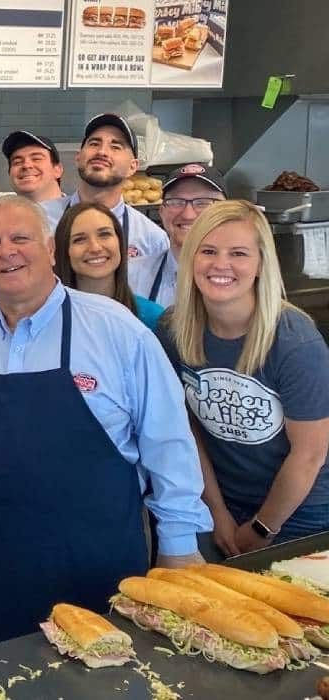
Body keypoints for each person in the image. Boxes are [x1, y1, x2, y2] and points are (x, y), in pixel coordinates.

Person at [0, 195, 212, 645]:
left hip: (103, 555)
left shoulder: (115, 328)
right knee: (6, 681)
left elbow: (168, 440)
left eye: (21, 238)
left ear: (49, 251)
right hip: (1, 558)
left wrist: (179, 545)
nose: (7, 251)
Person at [155, 200, 329, 557]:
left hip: (303, 515)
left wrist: (263, 528)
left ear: (261, 263)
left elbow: (309, 454)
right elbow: (189, 432)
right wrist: (217, 512)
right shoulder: (173, 331)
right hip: (223, 508)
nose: (221, 264)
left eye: (238, 253)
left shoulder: (295, 341)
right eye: (208, 251)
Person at [41, 113, 170, 297]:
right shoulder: (39, 219)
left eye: (116, 146)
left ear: (133, 166)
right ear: (78, 157)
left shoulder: (152, 239)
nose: (102, 152)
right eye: (94, 143)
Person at [54, 201, 165, 329]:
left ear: (120, 242)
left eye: (104, 235)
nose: (95, 248)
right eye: (79, 239)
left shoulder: (153, 318)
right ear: (64, 250)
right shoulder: (47, 319)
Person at [149, 163, 228, 307]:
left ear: (226, 212)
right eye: (176, 202)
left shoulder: (242, 279)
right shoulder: (132, 277)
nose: (188, 215)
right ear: (162, 211)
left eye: (203, 203)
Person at [2, 130, 65, 204]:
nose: (26, 165)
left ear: (58, 170)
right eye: (17, 162)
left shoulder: (79, 213)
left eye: (36, 159)